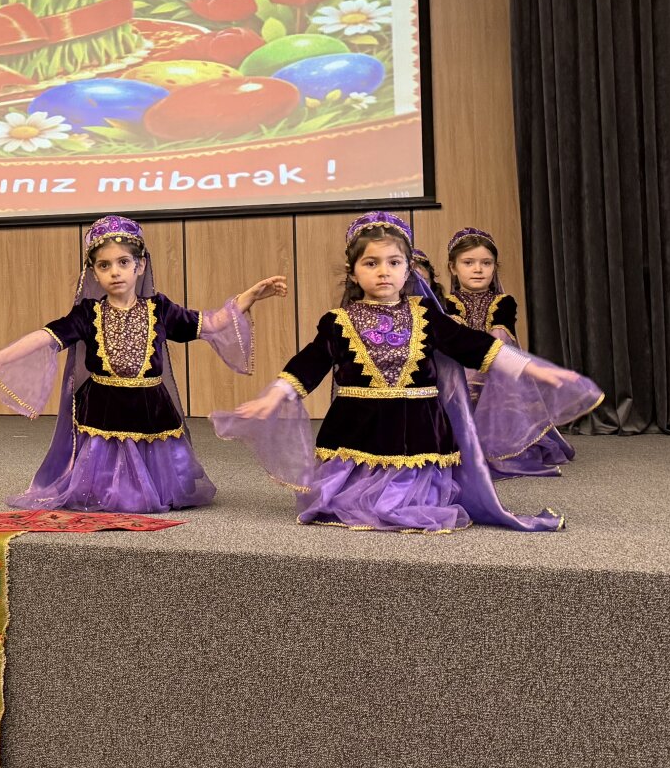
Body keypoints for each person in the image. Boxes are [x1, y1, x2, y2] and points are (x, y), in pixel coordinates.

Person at [214, 212, 599, 533]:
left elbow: (473, 345)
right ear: (353, 273)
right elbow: (310, 362)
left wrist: (533, 368)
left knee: (412, 501)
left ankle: (406, 494)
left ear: (408, 269)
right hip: (358, 427)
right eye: (371, 263)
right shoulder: (338, 320)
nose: (384, 272)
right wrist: (276, 394)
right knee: (348, 498)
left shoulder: (427, 314)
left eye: (394, 263)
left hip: (418, 429)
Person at [0, 214, 287, 513]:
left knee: (158, 467)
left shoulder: (160, 309)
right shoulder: (87, 314)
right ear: (93, 272)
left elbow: (213, 323)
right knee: (103, 466)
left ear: (140, 265)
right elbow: (45, 337)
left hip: (151, 406)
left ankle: (150, 488)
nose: (115, 272)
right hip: (104, 407)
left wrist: (249, 296)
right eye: (104, 265)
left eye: (123, 262)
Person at [445, 226, 574, 477]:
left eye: (486, 263)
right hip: (459, 374)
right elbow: (453, 340)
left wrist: (482, 366)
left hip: (497, 372)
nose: (478, 269)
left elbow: (501, 338)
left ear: (495, 267)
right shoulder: (446, 303)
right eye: (468, 263)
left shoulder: (504, 302)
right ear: (453, 267)